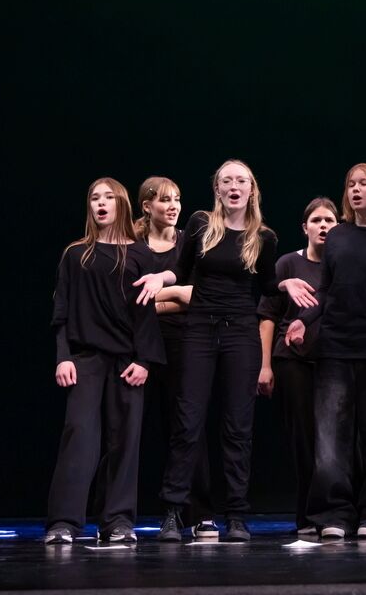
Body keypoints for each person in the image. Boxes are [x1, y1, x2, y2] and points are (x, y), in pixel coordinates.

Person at [134, 160, 278, 542]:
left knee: (237, 426)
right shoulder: (200, 224)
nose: (234, 186)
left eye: (241, 180)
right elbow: (180, 272)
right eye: (226, 180)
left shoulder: (263, 237)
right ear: (218, 189)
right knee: (187, 422)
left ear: (251, 189)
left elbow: (269, 286)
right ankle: (172, 512)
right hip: (199, 330)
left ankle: (236, 516)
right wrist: (159, 277)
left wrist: (288, 285)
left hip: (241, 334)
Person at [283, 163, 366, 540]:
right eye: (351, 184)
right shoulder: (338, 236)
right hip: (336, 347)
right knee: (330, 438)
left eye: (363, 184)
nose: (355, 190)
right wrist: (303, 321)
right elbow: (326, 290)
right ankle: (334, 514)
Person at [45, 178, 164, 544]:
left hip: (127, 360)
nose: (101, 203)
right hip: (86, 358)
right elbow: (62, 311)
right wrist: (63, 358)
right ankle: (64, 522)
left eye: (108, 197)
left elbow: (146, 315)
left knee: (124, 440)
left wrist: (145, 360)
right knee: (79, 435)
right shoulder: (76, 254)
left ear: (121, 204)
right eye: (95, 198)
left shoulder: (140, 254)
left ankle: (117, 521)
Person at [133, 176, 220, 539]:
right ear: (147, 206)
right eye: (165, 200)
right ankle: (118, 516)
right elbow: (125, 298)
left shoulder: (189, 242)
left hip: (184, 342)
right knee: (131, 428)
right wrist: (175, 295)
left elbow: (197, 295)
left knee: (188, 427)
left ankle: (200, 513)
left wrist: (154, 301)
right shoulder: (133, 245)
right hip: (136, 345)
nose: (173, 207)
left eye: (177, 200)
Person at [256, 196, 339, 537]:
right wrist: (265, 366)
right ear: (305, 228)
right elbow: (267, 317)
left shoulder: (341, 266)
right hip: (293, 362)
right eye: (317, 220)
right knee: (304, 439)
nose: (323, 226)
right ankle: (307, 515)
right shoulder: (288, 263)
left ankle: (333, 512)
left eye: (330, 220)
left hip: (333, 362)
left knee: (331, 440)